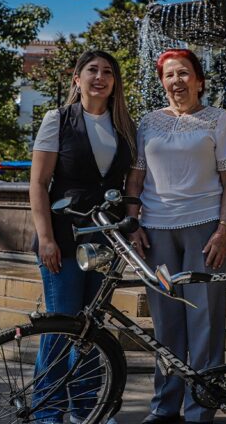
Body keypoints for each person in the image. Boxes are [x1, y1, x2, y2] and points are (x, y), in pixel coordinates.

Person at [125, 49, 226, 424]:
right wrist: (133, 222)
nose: (177, 81)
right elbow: (136, 177)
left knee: (205, 322)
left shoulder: (216, 120)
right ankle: (163, 408)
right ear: (162, 82)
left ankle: (199, 411)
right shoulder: (149, 122)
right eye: (170, 75)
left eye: (185, 73)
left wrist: (224, 230)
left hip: (205, 231)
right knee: (166, 321)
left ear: (199, 81)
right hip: (157, 236)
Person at [29, 50, 136, 424]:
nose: (100, 77)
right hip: (64, 237)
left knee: (92, 330)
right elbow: (39, 184)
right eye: (92, 70)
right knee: (60, 326)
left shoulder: (124, 124)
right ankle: (47, 412)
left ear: (115, 82)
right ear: (77, 79)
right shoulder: (57, 119)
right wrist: (45, 238)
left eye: (108, 72)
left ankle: (85, 409)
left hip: (106, 240)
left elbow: (129, 183)